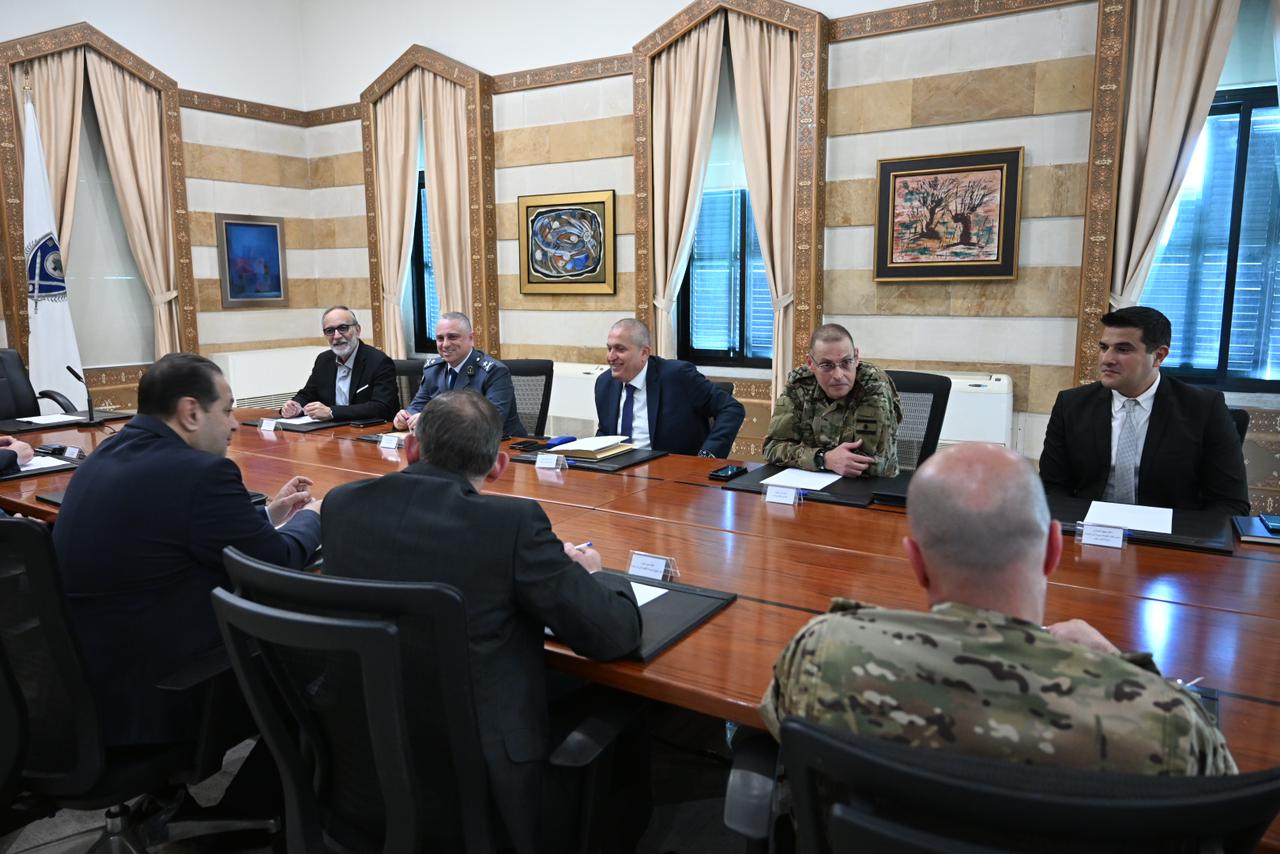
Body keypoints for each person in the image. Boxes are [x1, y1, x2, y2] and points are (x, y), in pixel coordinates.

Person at [761, 442, 1236, 776]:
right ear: (1053, 550)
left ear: (915, 562)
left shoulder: (821, 653)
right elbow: (1224, 816)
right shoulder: (1169, 724)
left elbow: (776, 732)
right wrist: (1124, 667)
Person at [322, 390, 642, 849]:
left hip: (360, 761)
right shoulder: (512, 524)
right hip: (481, 783)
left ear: (411, 448)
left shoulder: (340, 505)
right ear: (498, 466)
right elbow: (613, 636)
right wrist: (597, 574)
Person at [54, 353, 322, 747]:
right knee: (328, 661)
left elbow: (182, 530)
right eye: (227, 410)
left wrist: (269, 514)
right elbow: (276, 565)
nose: (234, 424)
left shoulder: (103, 457)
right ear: (191, 412)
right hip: (167, 692)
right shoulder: (202, 474)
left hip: (90, 688)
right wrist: (315, 517)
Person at [1039, 306, 1249, 515]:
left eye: (1123, 349)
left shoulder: (1204, 408)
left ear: (1159, 356)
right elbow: (1052, 488)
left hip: (1172, 531)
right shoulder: (1071, 404)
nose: (1106, 359)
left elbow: (1230, 503)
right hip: (1088, 528)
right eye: (1104, 347)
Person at [763, 323, 901, 477]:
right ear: (810, 363)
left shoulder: (873, 385)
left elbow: (869, 464)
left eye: (846, 362)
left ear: (856, 358)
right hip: (812, 482)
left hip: (870, 486)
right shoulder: (800, 384)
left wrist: (808, 457)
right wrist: (823, 458)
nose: (838, 375)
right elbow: (772, 448)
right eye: (826, 365)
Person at [593, 318, 745, 458]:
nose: (611, 357)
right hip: (616, 471)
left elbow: (731, 408)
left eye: (620, 349)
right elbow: (606, 433)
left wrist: (708, 454)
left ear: (644, 353)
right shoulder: (604, 384)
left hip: (671, 471)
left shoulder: (678, 376)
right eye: (609, 348)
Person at [393, 311, 526, 437]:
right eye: (440, 338)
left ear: (471, 338)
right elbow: (417, 406)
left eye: (452, 337)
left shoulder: (494, 372)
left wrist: (432, 421)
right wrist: (404, 418)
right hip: (448, 443)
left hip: (499, 446)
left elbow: (491, 421)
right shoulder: (433, 370)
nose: (445, 344)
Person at [282, 305, 397, 423]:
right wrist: (295, 406)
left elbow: (382, 407)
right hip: (330, 429)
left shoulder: (379, 361)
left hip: (367, 429)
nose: (336, 336)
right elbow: (307, 394)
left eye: (343, 328)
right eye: (330, 331)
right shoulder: (323, 360)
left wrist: (332, 412)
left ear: (357, 330)